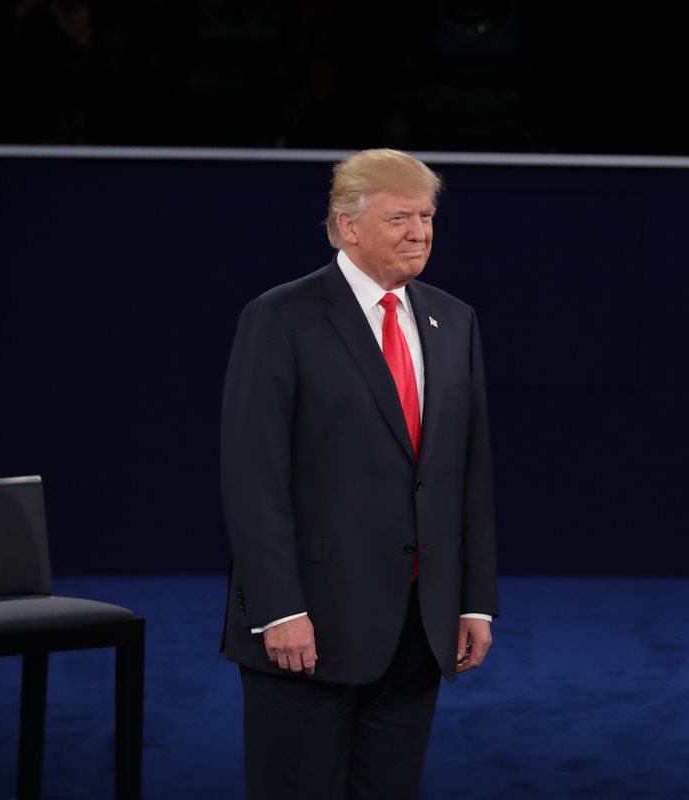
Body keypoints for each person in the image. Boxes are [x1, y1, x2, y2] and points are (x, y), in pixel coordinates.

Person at [220, 148, 499, 800]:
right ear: (348, 225)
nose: (420, 232)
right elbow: (253, 477)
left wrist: (473, 599)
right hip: (307, 625)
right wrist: (278, 608)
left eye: (427, 217)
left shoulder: (454, 320)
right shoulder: (280, 317)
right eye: (401, 217)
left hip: (417, 627)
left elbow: (469, 473)